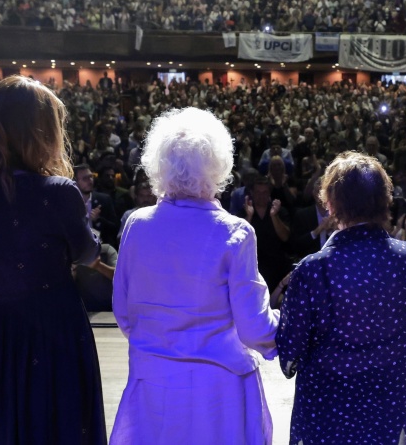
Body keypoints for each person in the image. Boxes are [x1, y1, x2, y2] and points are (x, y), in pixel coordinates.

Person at [0, 76, 106, 445]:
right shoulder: (57, 192)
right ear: (40, 130)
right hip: (49, 326)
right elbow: (86, 254)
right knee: (54, 424)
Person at [110, 107, 279, 445]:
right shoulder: (235, 232)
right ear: (218, 165)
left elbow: (124, 311)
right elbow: (254, 329)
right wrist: (287, 327)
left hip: (153, 382)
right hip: (219, 391)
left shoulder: (137, 224)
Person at [276, 151, 406, 445]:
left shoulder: (314, 269)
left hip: (327, 419)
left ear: (330, 203)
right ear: (385, 199)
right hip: (386, 415)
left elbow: (289, 354)